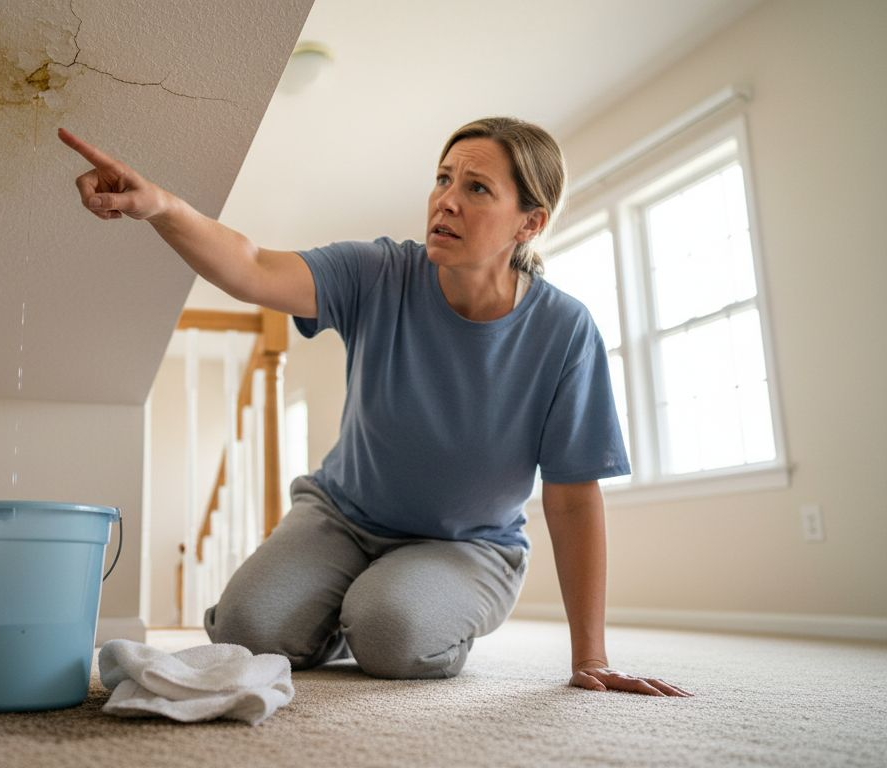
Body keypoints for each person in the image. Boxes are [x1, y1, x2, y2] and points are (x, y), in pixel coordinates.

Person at [60, 118, 692, 697]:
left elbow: (574, 497)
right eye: (443, 178)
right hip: (340, 516)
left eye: (476, 188)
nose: (446, 199)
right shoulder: (378, 272)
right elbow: (251, 265)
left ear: (530, 223)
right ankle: (346, 608)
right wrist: (161, 207)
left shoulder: (564, 331)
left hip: (468, 545)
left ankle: (374, 609)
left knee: (392, 637)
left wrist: (592, 657)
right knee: (249, 628)